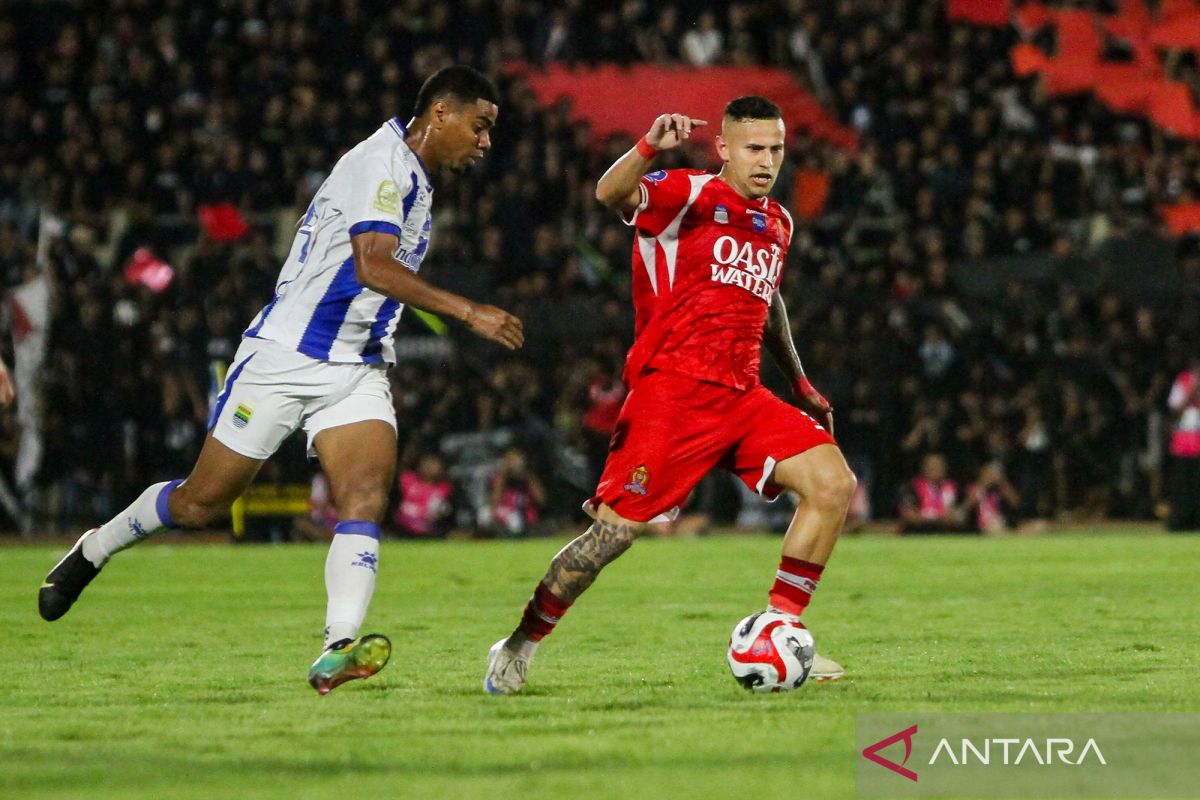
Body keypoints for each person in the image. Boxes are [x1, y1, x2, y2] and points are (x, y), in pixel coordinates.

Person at [37, 65, 524, 695]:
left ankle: (337, 648)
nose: (486, 143)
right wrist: (468, 312)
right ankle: (96, 546)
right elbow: (372, 266)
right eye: (479, 126)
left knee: (366, 496)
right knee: (201, 504)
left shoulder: (419, 181)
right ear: (440, 113)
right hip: (285, 357)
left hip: (356, 365)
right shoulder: (382, 164)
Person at [484, 97, 856, 695]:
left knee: (833, 484)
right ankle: (520, 643)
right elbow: (610, 195)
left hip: (743, 394)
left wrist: (800, 382)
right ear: (726, 148)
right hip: (672, 393)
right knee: (610, 539)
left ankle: (780, 629)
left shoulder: (779, 222)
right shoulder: (687, 193)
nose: (766, 161)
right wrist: (649, 145)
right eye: (755, 148)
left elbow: (768, 299)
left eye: (776, 149)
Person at [1166, 355, 1200, 531]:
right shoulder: (1184, 380)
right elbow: (1174, 408)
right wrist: (1191, 392)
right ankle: (1180, 521)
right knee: (1182, 484)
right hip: (1185, 442)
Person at [897, 453, 967, 534]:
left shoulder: (952, 487)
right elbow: (911, 517)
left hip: (946, 534)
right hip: (917, 534)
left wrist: (956, 515)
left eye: (939, 465)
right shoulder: (911, 487)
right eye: (932, 465)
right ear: (923, 468)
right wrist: (939, 518)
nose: (936, 468)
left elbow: (959, 516)